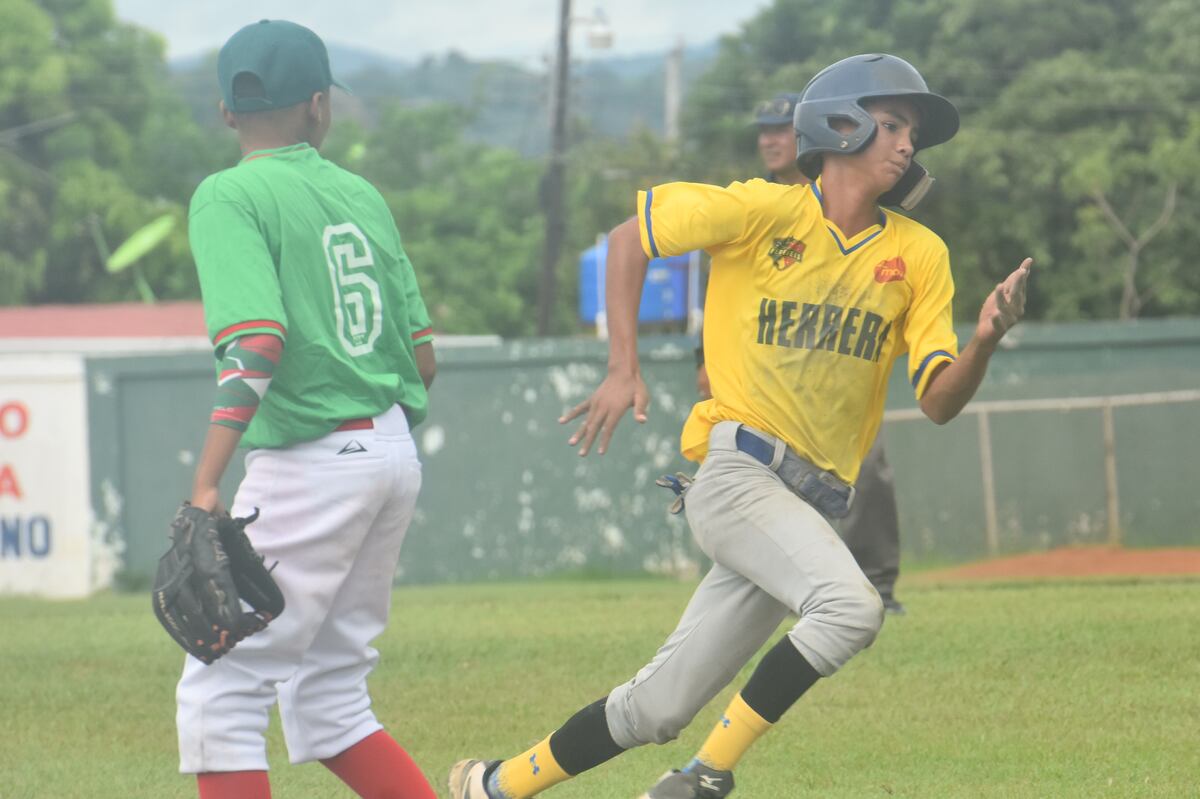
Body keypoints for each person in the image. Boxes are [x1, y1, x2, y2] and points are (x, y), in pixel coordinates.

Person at [449, 52, 1030, 799]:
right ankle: (702, 776)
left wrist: (984, 337)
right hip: (738, 475)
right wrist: (623, 366)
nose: (906, 144)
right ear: (839, 124)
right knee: (851, 607)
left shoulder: (919, 253)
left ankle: (493, 786)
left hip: (809, 505)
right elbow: (630, 240)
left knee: (655, 705)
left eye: (910, 132)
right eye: (890, 125)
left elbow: (939, 401)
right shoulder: (764, 209)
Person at [174, 20, 438, 799]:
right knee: (328, 698)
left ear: (227, 111)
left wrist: (206, 481)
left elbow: (256, 342)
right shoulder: (359, 194)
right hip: (389, 451)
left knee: (221, 693)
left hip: (311, 463)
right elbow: (423, 357)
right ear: (319, 107)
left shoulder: (228, 193)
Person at [699, 91, 908, 614]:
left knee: (869, 468)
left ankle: (878, 583)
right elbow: (725, 291)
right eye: (763, 130)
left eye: (781, 129)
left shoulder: (857, 203)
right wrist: (700, 359)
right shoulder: (756, 206)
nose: (770, 139)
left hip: (839, 367)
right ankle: (778, 583)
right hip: (766, 374)